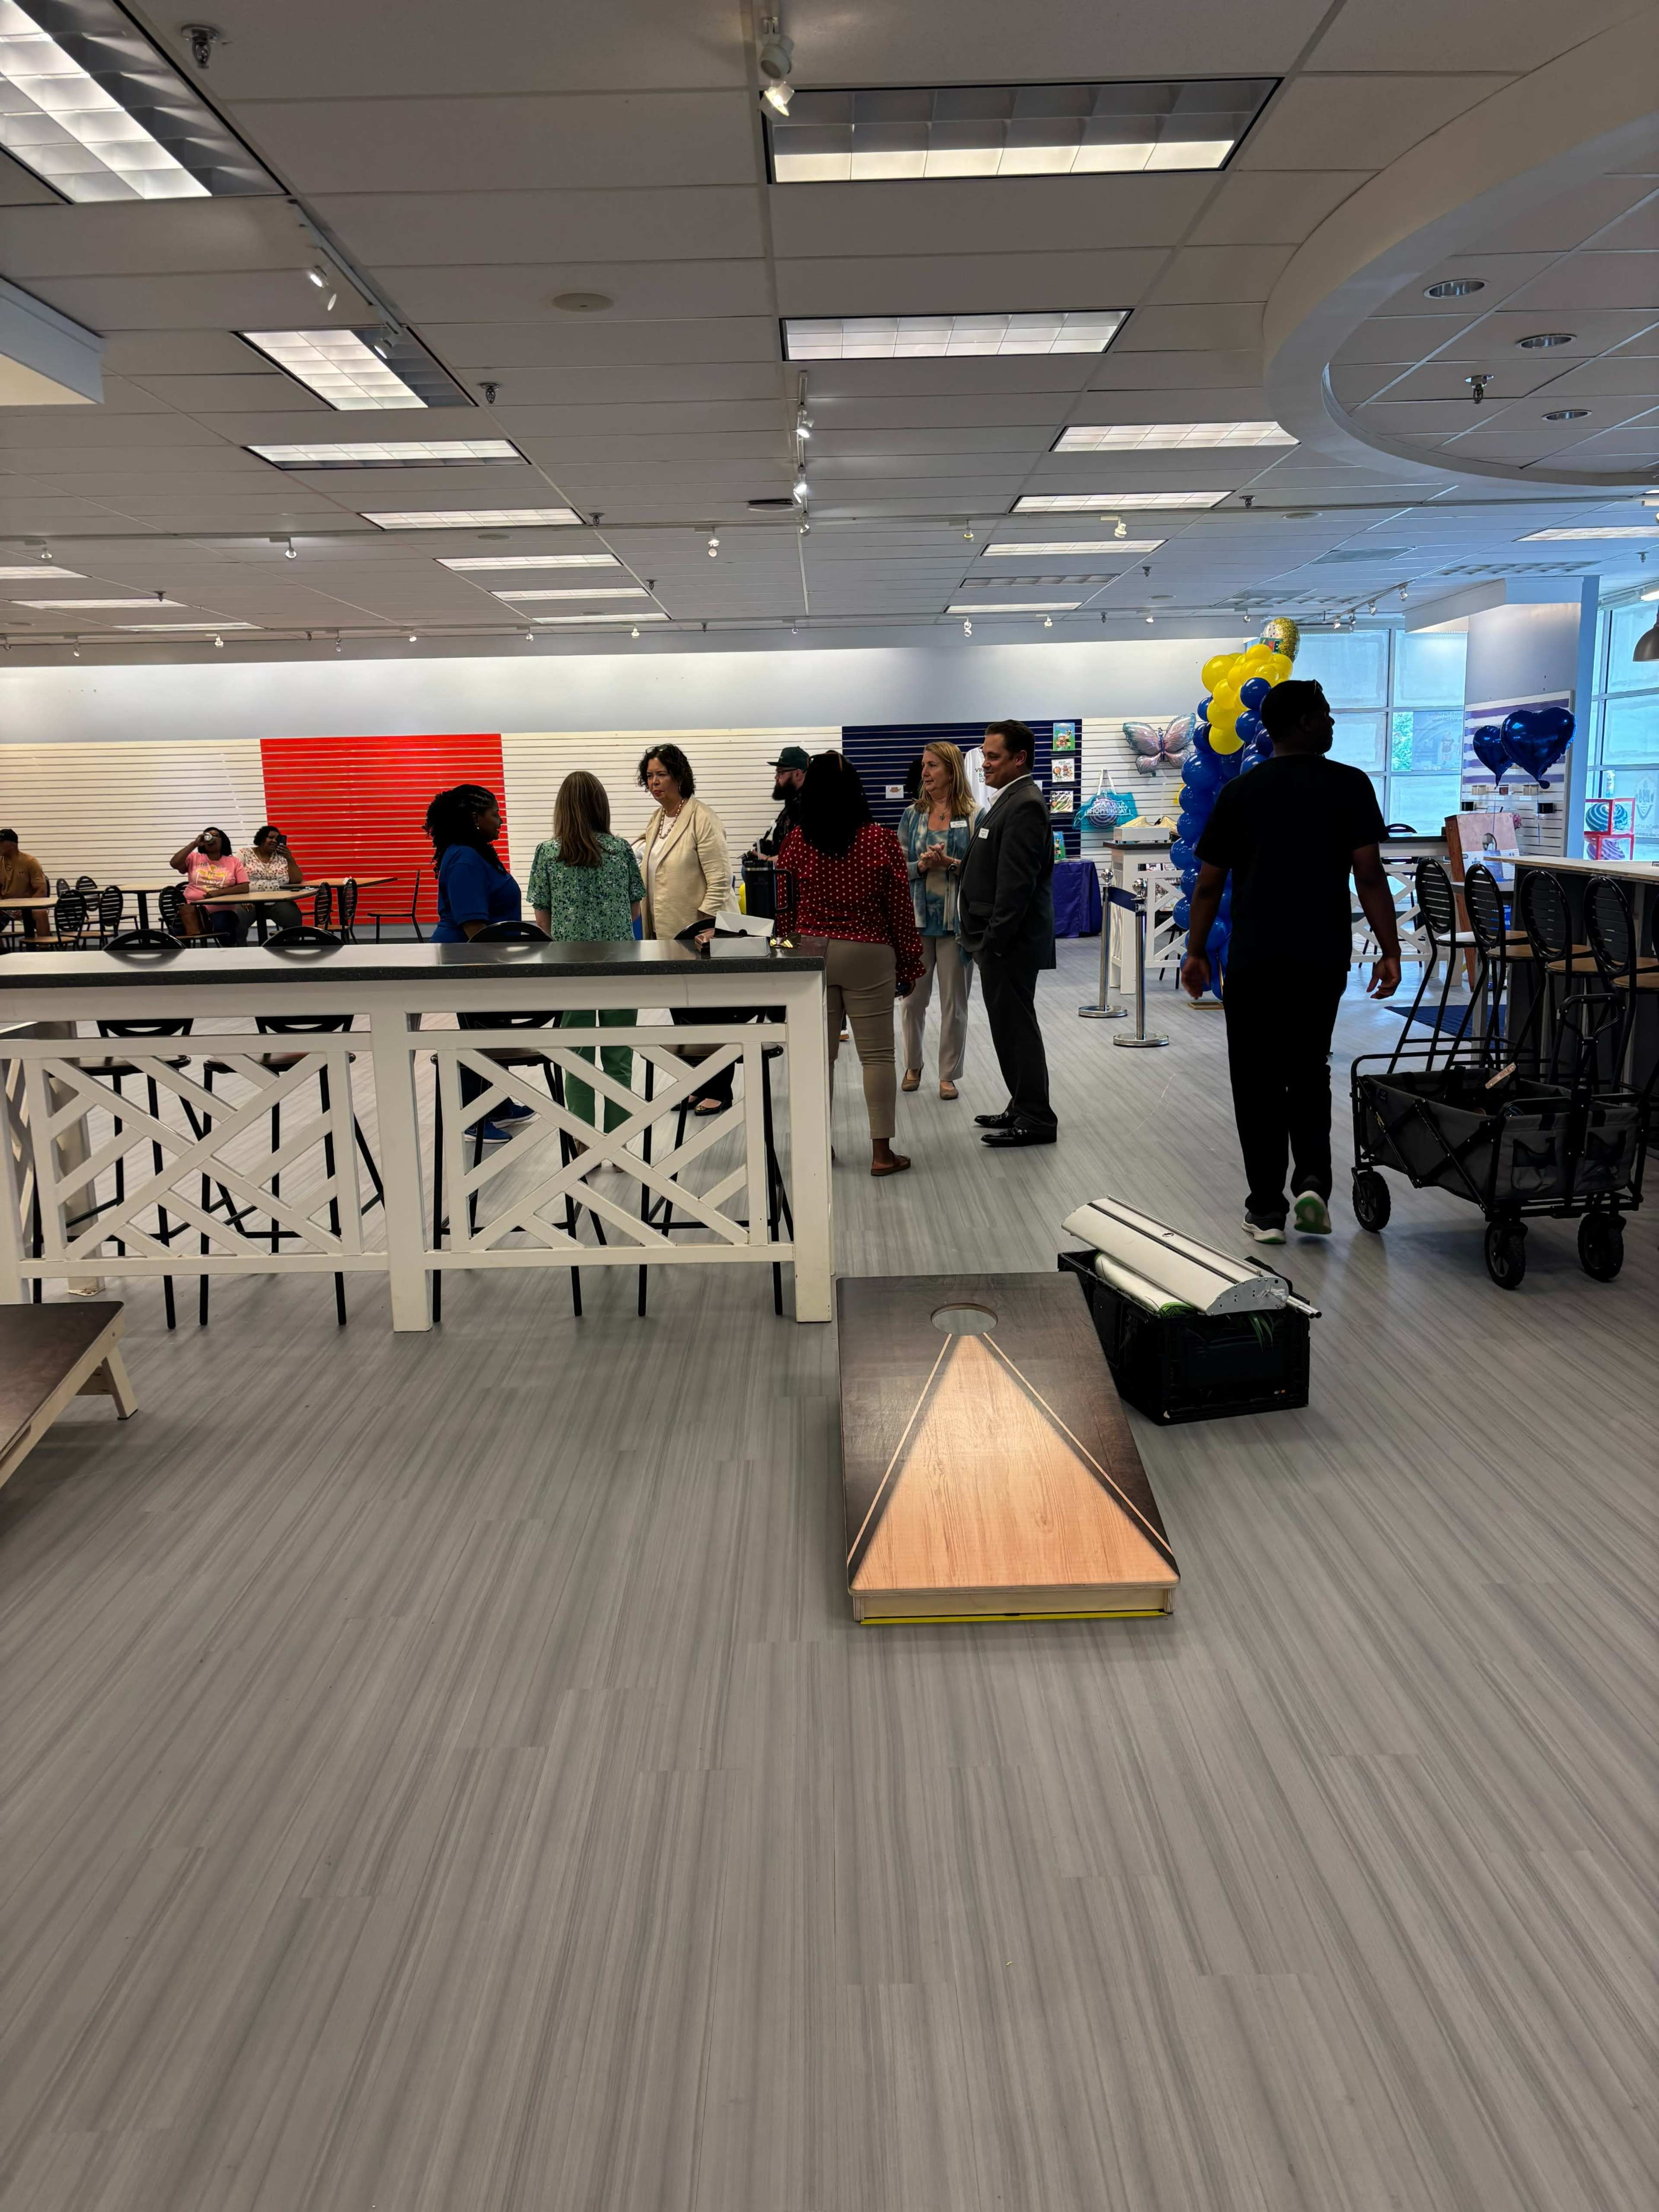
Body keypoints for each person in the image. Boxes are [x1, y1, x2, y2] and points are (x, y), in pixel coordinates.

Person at [1181, 677, 1402, 1244]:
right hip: (1321, 955)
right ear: (1303, 721)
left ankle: (1266, 1209)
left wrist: (1196, 951)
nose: (1331, 722)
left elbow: (1208, 884)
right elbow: (1369, 874)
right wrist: (1390, 948)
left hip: (1255, 957)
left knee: (1255, 1079)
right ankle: (1312, 1183)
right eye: (1324, 714)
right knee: (1308, 1069)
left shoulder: (1241, 793)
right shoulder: (1349, 785)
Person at [776, 751, 923, 1178]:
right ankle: (882, 1154)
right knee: (877, 1056)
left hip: (810, 953)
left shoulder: (796, 842)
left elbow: (784, 910)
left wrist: (785, 956)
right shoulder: (880, 840)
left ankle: (817, 1148)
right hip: (869, 951)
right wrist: (909, 964)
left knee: (816, 1057)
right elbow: (900, 909)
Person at [958, 720, 1058, 1148]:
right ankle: (1021, 1105)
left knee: (1016, 1029)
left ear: (1020, 758)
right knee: (1009, 1027)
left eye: (993, 756)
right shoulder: (1010, 800)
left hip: (1009, 943)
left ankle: (1036, 1117)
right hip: (1002, 941)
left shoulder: (1025, 805)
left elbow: (1017, 886)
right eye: (984, 755)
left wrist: (993, 944)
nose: (985, 764)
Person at [528, 769, 645, 1133]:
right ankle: (618, 1139)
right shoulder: (621, 850)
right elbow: (634, 910)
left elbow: (542, 920)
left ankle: (582, 1141)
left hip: (570, 968)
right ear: (601, 806)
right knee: (619, 1055)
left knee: (577, 1057)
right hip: (620, 965)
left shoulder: (548, 853)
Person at [424, 783, 526, 1143]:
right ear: (475, 818)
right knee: (479, 1034)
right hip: (470, 960)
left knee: (492, 1031)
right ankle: (473, 1116)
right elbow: (474, 928)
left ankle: (496, 1105)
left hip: (485, 959)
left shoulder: (477, 852)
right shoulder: (466, 858)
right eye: (495, 814)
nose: (501, 820)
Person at [638, 743, 736, 1113]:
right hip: (666, 936)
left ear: (679, 776)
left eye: (661, 774)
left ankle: (720, 1089)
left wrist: (704, 924)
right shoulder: (657, 820)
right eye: (650, 776)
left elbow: (720, 879)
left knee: (709, 1013)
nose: (654, 782)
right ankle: (698, 1084)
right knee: (682, 1013)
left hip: (701, 936)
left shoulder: (702, 817)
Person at [896, 740, 980, 1099]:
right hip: (916, 922)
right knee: (912, 1001)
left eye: (932, 765)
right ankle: (913, 1065)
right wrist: (922, 865)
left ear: (951, 770)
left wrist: (951, 865)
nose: (925, 772)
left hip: (955, 924)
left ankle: (949, 1074)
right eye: (924, 766)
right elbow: (897, 867)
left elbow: (981, 869)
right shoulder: (912, 814)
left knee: (954, 1004)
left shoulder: (974, 814)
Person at [168, 826, 248, 942]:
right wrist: (194, 844)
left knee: (223, 924)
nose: (211, 838)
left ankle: (226, 947)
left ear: (223, 841)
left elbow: (244, 887)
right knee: (179, 929)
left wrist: (219, 892)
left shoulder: (233, 861)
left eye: (216, 836)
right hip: (193, 910)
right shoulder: (194, 857)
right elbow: (174, 863)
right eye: (208, 835)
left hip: (222, 910)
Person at [747, 745, 811, 862]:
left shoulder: (808, 807)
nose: (776, 777)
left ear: (798, 774)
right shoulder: (792, 803)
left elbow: (801, 854)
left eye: (781, 772)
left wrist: (768, 860)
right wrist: (771, 847)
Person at [238, 825, 303, 934]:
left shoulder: (283, 856)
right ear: (261, 838)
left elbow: (297, 880)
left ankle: (287, 944)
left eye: (277, 839)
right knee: (236, 923)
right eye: (271, 838)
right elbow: (233, 876)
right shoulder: (245, 853)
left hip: (279, 900)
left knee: (294, 920)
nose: (274, 841)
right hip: (249, 901)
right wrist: (241, 898)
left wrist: (290, 859)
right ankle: (240, 944)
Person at [0, 827, 49, 942]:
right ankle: (3, 951)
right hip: (7, 907)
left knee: (41, 913)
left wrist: (25, 906)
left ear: (12, 845)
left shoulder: (30, 862)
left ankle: (45, 948)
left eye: (1, 843)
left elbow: (41, 890)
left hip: (29, 905)